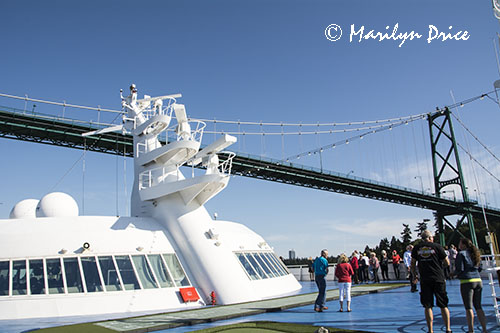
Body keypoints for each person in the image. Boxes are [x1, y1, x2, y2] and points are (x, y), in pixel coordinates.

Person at [411, 230, 451, 333]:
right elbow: (447, 262)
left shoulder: (417, 248)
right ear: (430, 238)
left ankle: (430, 330)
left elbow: (413, 263)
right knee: (443, 304)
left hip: (425, 278)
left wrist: (415, 274)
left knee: (428, 306)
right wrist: (440, 268)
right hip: (438, 278)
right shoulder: (437, 247)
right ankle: (448, 328)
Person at [455, 238, 487, 333]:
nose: (459, 245)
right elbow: (480, 268)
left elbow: (460, 268)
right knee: (478, 306)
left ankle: (471, 330)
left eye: (460, 244)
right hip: (478, 280)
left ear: (463, 245)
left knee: (468, 307)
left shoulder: (461, 254)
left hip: (467, 281)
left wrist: (453, 274)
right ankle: (484, 329)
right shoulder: (476, 254)